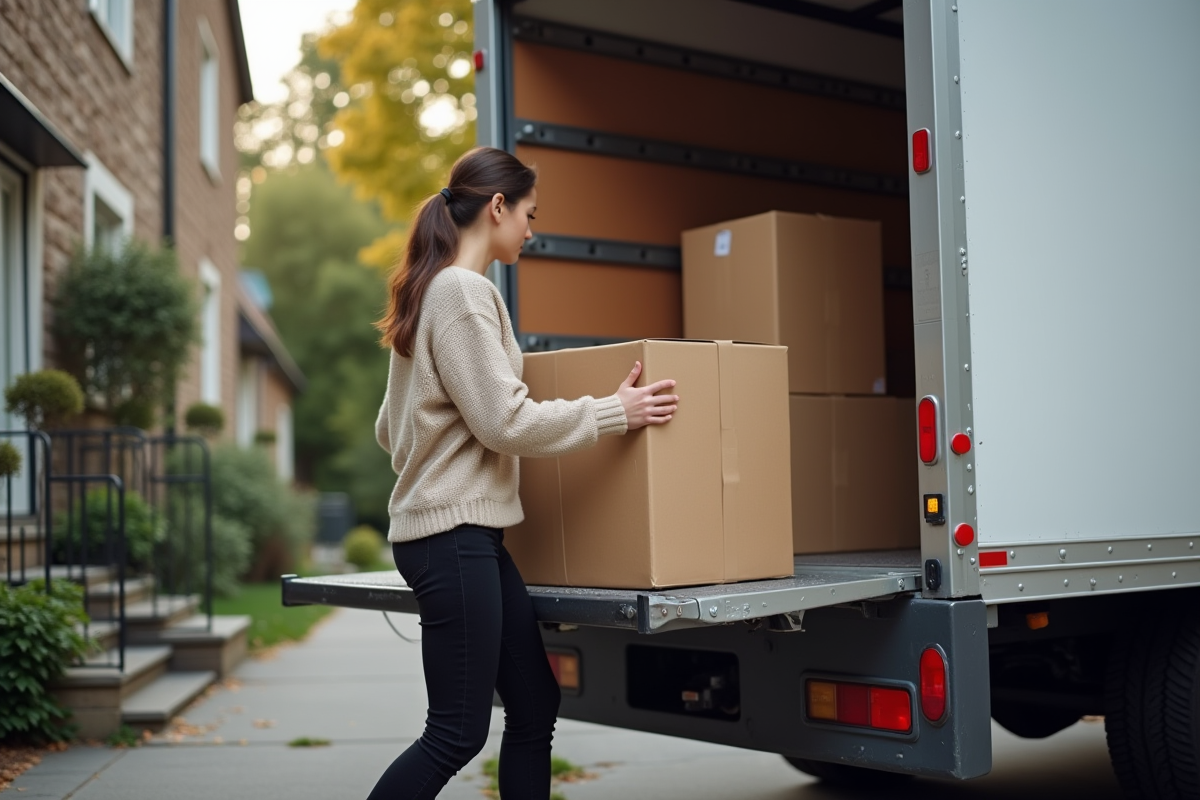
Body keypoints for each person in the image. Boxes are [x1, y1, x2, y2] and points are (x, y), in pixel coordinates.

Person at [367, 146, 679, 799]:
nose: (533, 231)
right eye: (529, 215)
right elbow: (504, 422)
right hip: (450, 538)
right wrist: (613, 412)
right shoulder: (460, 291)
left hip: (467, 535)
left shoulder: (438, 288)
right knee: (454, 734)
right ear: (498, 206)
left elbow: (388, 427)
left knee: (535, 704)